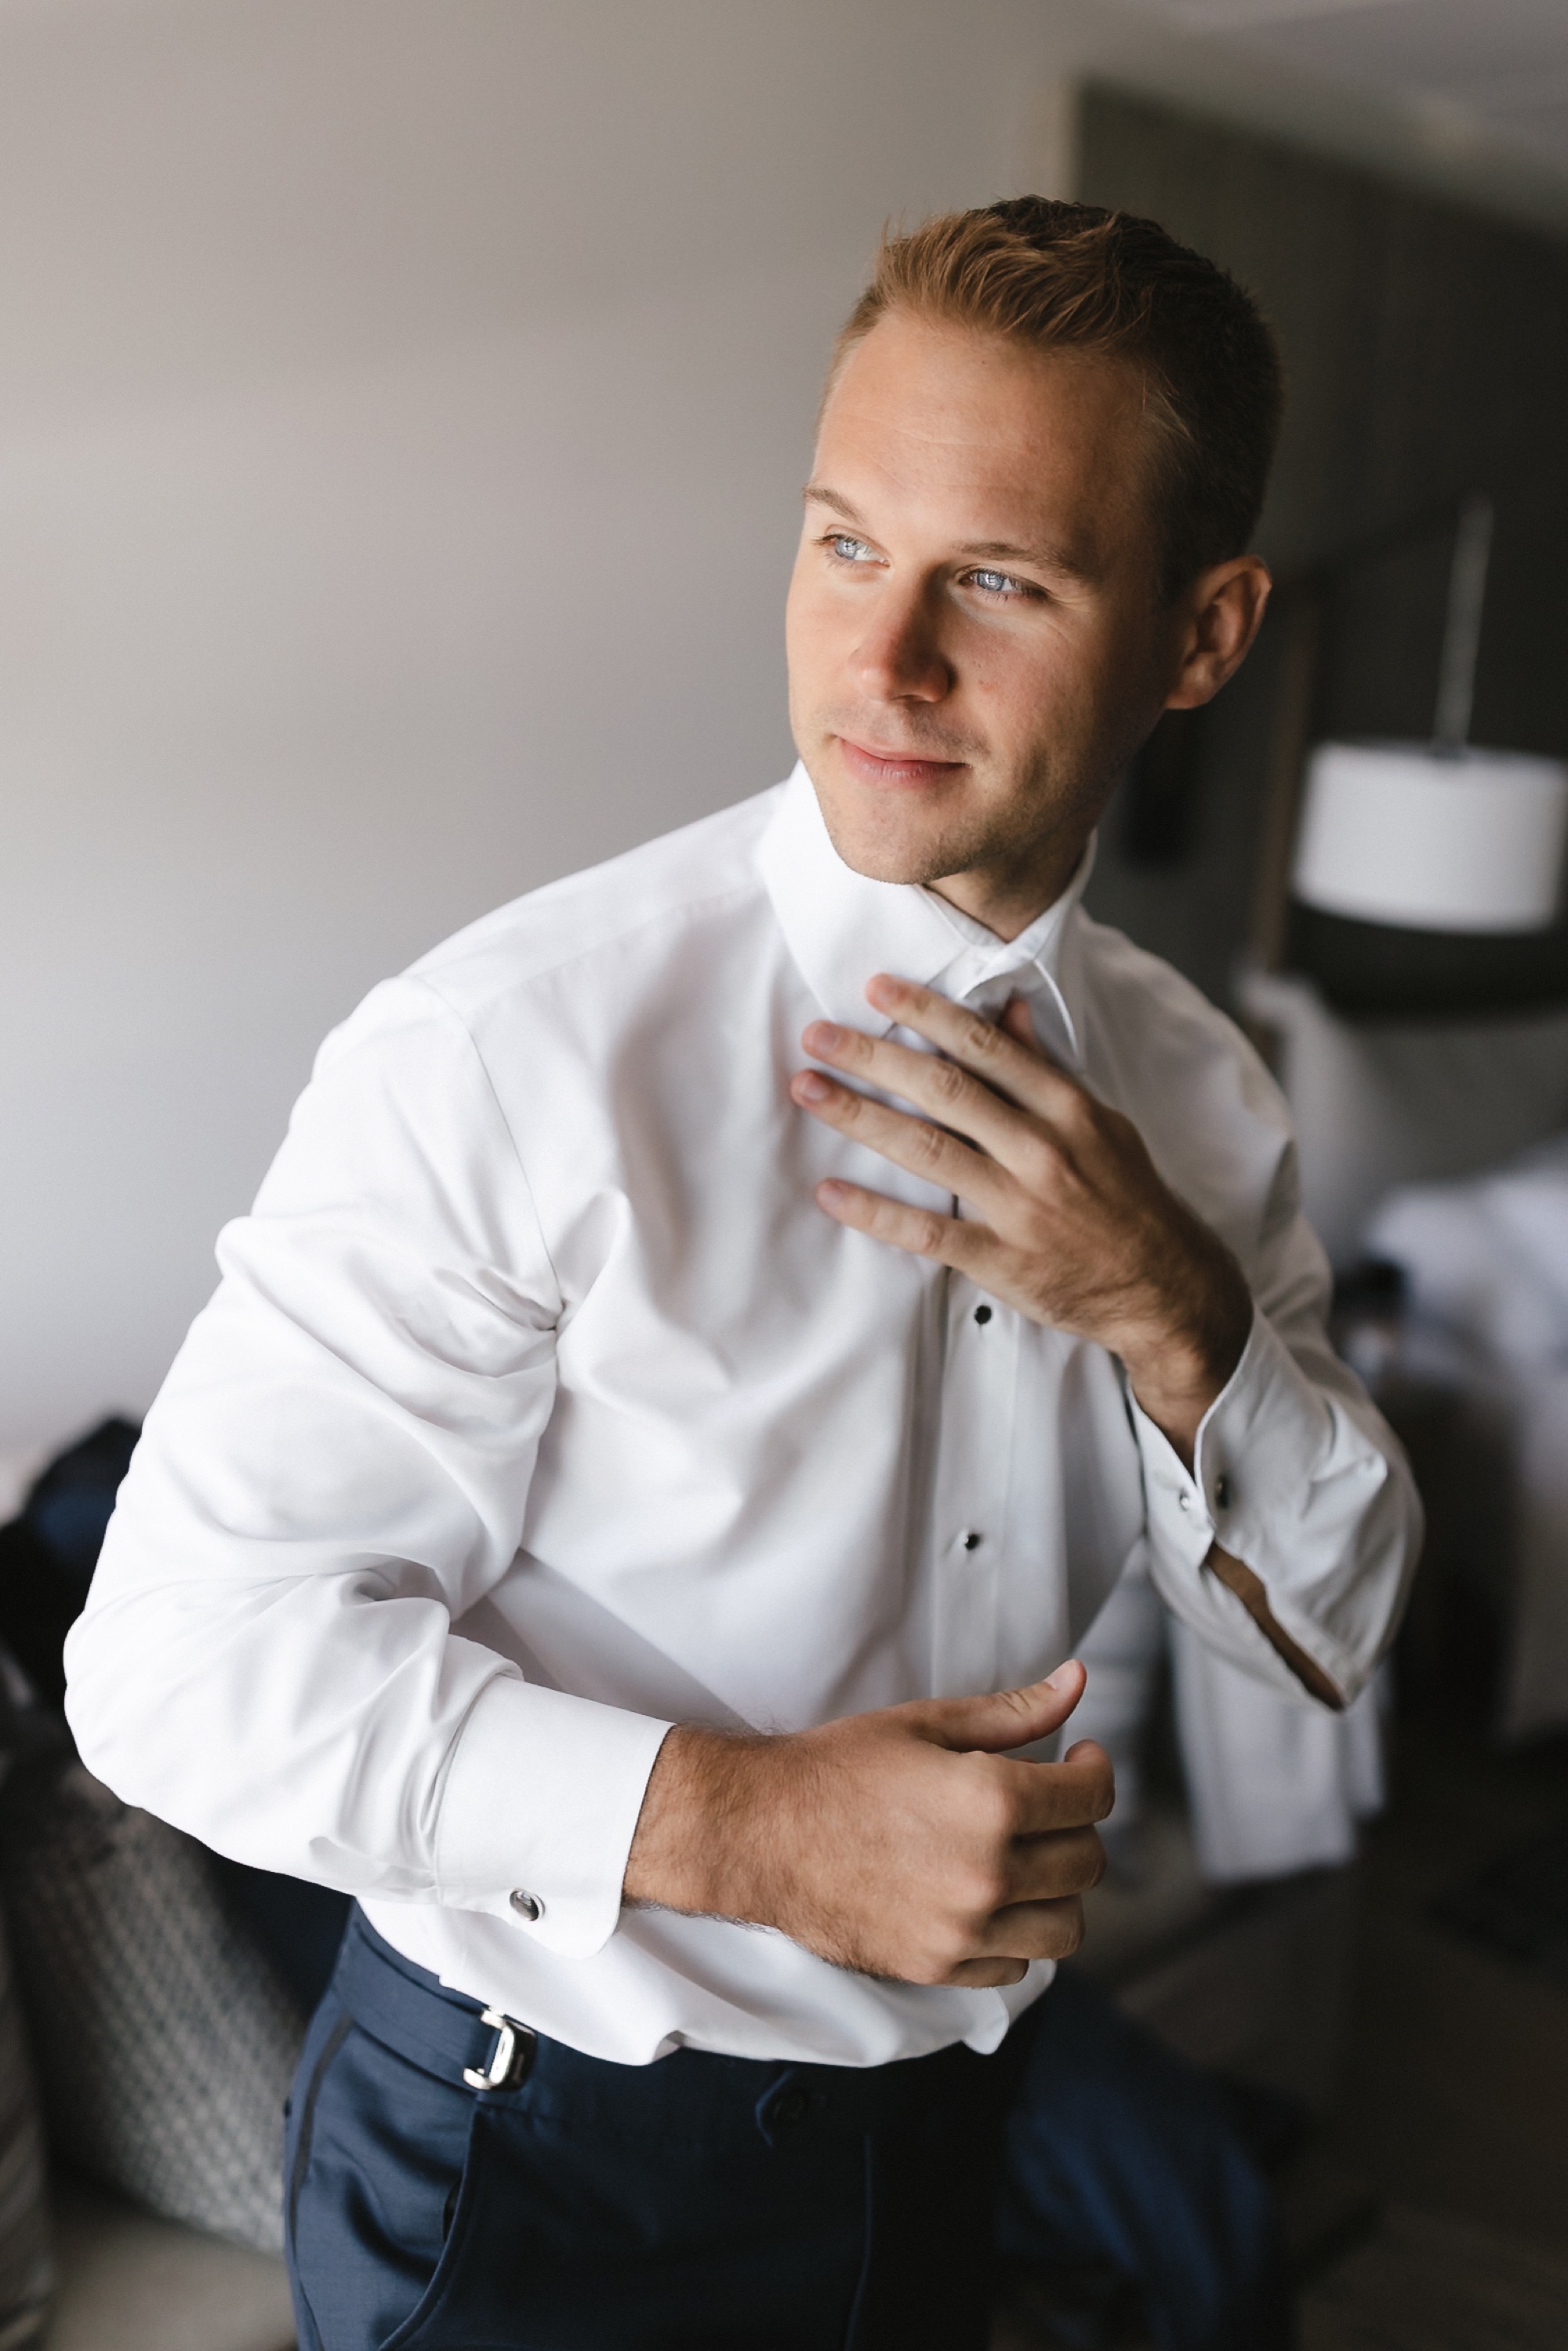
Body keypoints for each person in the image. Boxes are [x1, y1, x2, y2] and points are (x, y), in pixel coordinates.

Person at [64, 199, 1420, 2351]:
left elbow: (1331, 1641)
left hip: (940, 2140)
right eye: (843, 543)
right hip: (529, 2174)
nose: (881, 665)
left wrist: (1175, 1309)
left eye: (997, 578)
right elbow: (164, 1671)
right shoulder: (516, 1048)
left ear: (1200, 632)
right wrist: (749, 1829)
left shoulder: (1202, 1097)